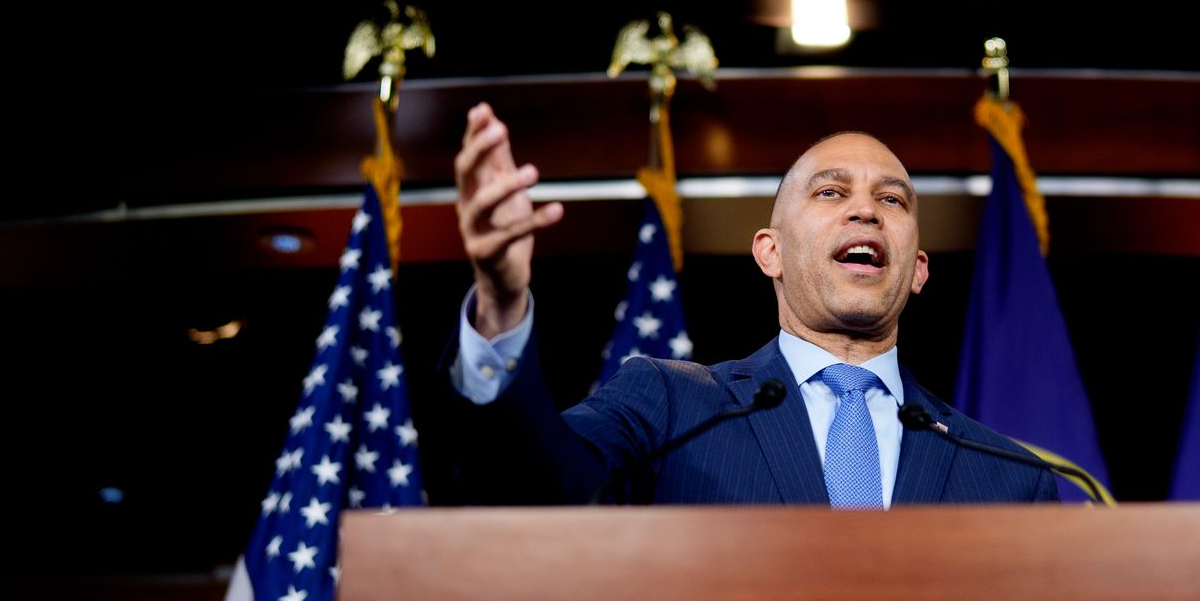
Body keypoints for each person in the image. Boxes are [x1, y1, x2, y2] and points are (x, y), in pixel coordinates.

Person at [439, 102, 1059, 507]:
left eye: (893, 201)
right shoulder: (672, 407)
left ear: (918, 269)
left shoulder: (1007, 474)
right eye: (830, 191)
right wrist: (499, 302)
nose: (866, 209)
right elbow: (533, 489)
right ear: (771, 253)